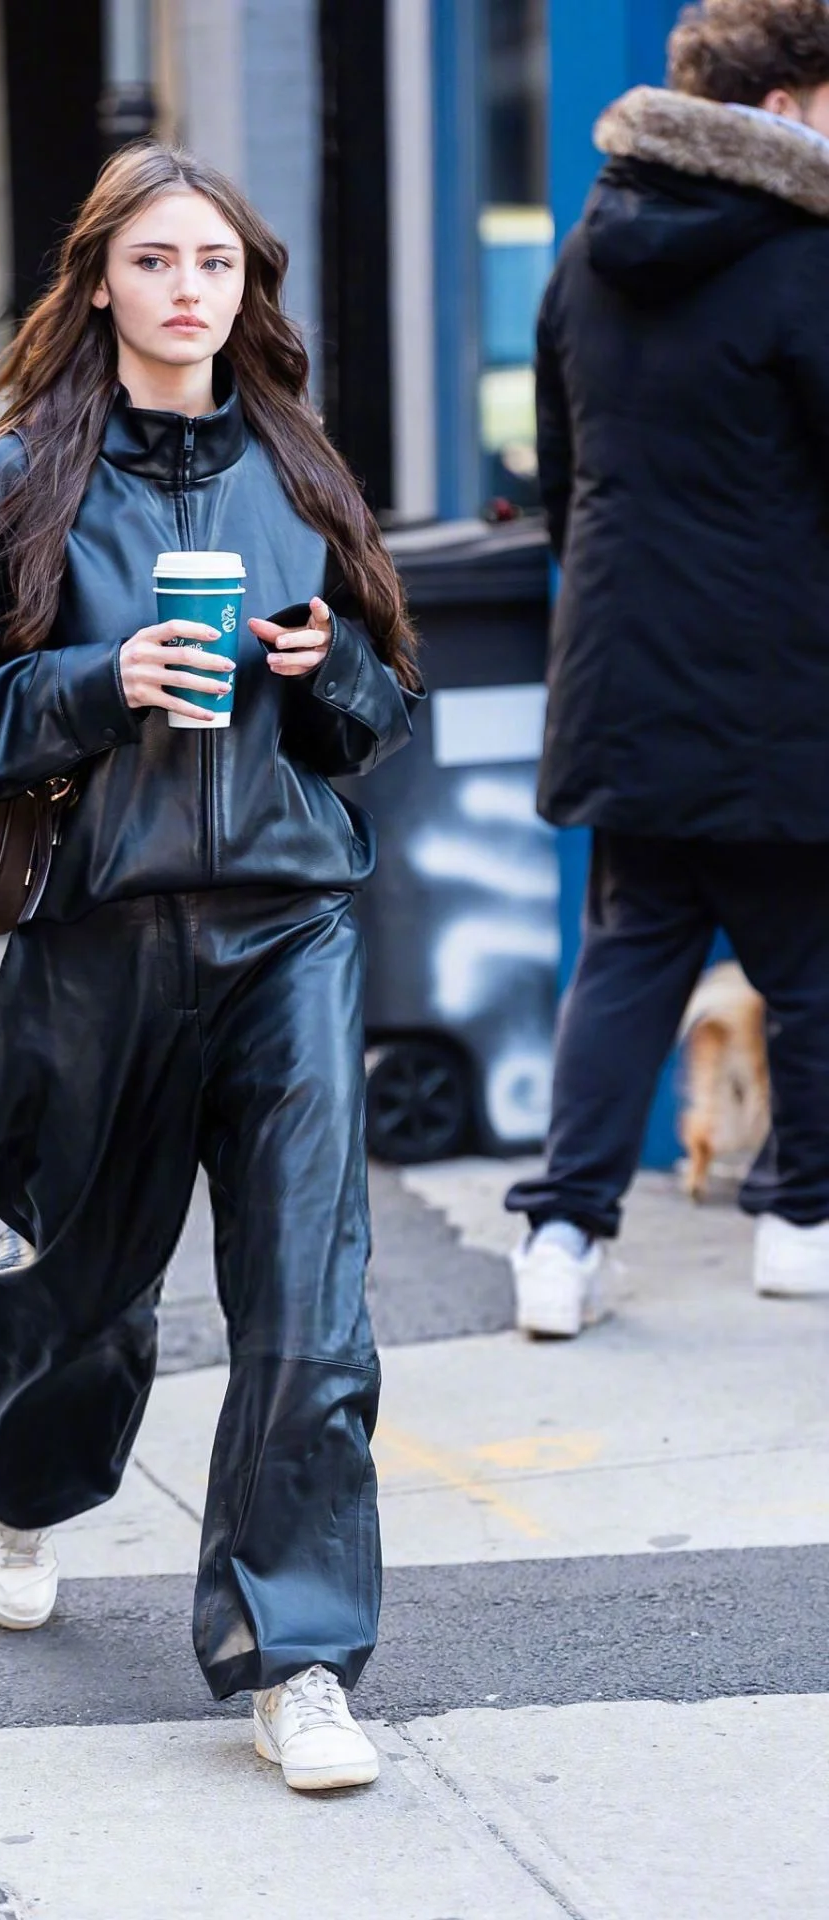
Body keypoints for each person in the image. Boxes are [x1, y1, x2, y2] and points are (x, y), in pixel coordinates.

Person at [0, 142, 420, 1790]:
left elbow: (385, 712)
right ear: (100, 281)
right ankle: (17, 1485)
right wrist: (95, 684)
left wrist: (327, 673)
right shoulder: (13, 478)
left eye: (217, 265)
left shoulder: (303, 469)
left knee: (311, 1309)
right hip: (98, 942)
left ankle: (297, 1659)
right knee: (80, 1295)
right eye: (159, 261)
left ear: (248, 290)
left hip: (289, 932)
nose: (190, 290)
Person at [506, 0, 829, 1337]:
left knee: (630, 954)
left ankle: (562, 1239)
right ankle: (802, 1223)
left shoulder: (589, 246)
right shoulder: (804, 254)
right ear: (783, 106)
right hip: (783, 684)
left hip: (624, 673)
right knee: (811, 962)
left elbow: (563, 476)